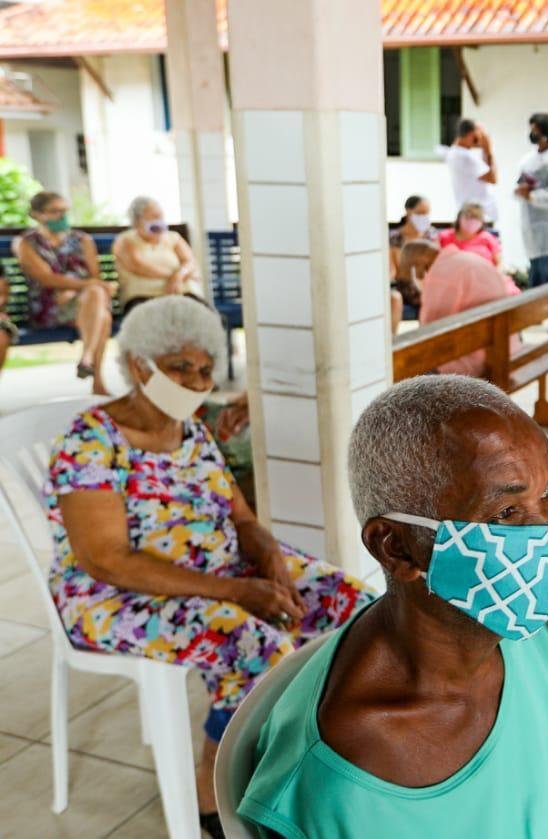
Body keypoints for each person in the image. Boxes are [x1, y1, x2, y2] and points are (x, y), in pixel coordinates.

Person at [238, 375, 548, 838]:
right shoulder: (343, 769)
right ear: (397, 548)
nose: (543, 538)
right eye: (505, 514)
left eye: (547, 497)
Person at [44, 296, 373, 835]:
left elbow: (239, 517)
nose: (197, 383)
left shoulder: (190, 431)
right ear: (138, 365)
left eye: (204, 370)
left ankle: (323, 746)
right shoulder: (90, 441)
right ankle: (212, 786)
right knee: (252, 643)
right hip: (115, 594)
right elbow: (106, 560)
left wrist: (267, 552)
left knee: (354, 604)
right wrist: (239, 591)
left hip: (219, 570)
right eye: (180, 368)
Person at [13, 191, 113, 394]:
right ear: (37, 214)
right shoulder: (26, 243)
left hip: (86, 302)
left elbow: (95, 275)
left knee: (95, 297)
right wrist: (81, 287)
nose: (62, 216)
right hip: (49, 306)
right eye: (55, 211)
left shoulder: (83, 239)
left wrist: (75, 289)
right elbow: (46, 279)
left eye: (64, 210)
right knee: (101, 311)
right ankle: (96, 380)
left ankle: (87, 359)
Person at [398, 238, 520, 377]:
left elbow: (428, 334)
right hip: (507, 348)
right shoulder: (469, 259)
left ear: (417, 265)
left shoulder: (440, 274)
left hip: (481, 362)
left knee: (404, 371)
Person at [112, 195, 201, 313]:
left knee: (202, 315)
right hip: (143, 295)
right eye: (154, 217)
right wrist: (174, 277)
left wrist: (179, 275)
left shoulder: (173, 238)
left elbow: (190, 261)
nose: (159, 221)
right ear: (137, 221)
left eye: (161, 216)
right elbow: (138, 266)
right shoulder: (125, 240)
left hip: (181, 291)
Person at [516, 112, 548, 291]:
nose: (532, 133)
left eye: (535, 129)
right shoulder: (527, 160)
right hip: (528, 218)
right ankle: (536, 311)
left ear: (546, 132)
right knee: (535, 264)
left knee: (545, 266)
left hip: (546, 220)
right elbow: (519, 185)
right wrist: (521, 191)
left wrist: (532, 196)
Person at [388, 195, 434, 333]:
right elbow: (392, 270)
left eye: (427, 214)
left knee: (430, 295)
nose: (424, 217)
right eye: (420, 213)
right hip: (404, 284)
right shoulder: (395, 238)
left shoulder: (431, 236)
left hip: (427, 284)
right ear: (408, 212)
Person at [444, 118, 499, 223]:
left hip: (474, 213)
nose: (482, 138)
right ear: (470, 134)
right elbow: (492, 178)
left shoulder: (455, 153)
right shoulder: (465, 157)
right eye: (479, 135)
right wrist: (488, 150)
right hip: (478, 215)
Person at [440, 201, 502, 266]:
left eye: (476, 217)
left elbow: (499, 264)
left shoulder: (487, 237)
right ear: (459, 217)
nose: (471, 221)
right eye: (468, 217)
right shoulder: (444, 236)